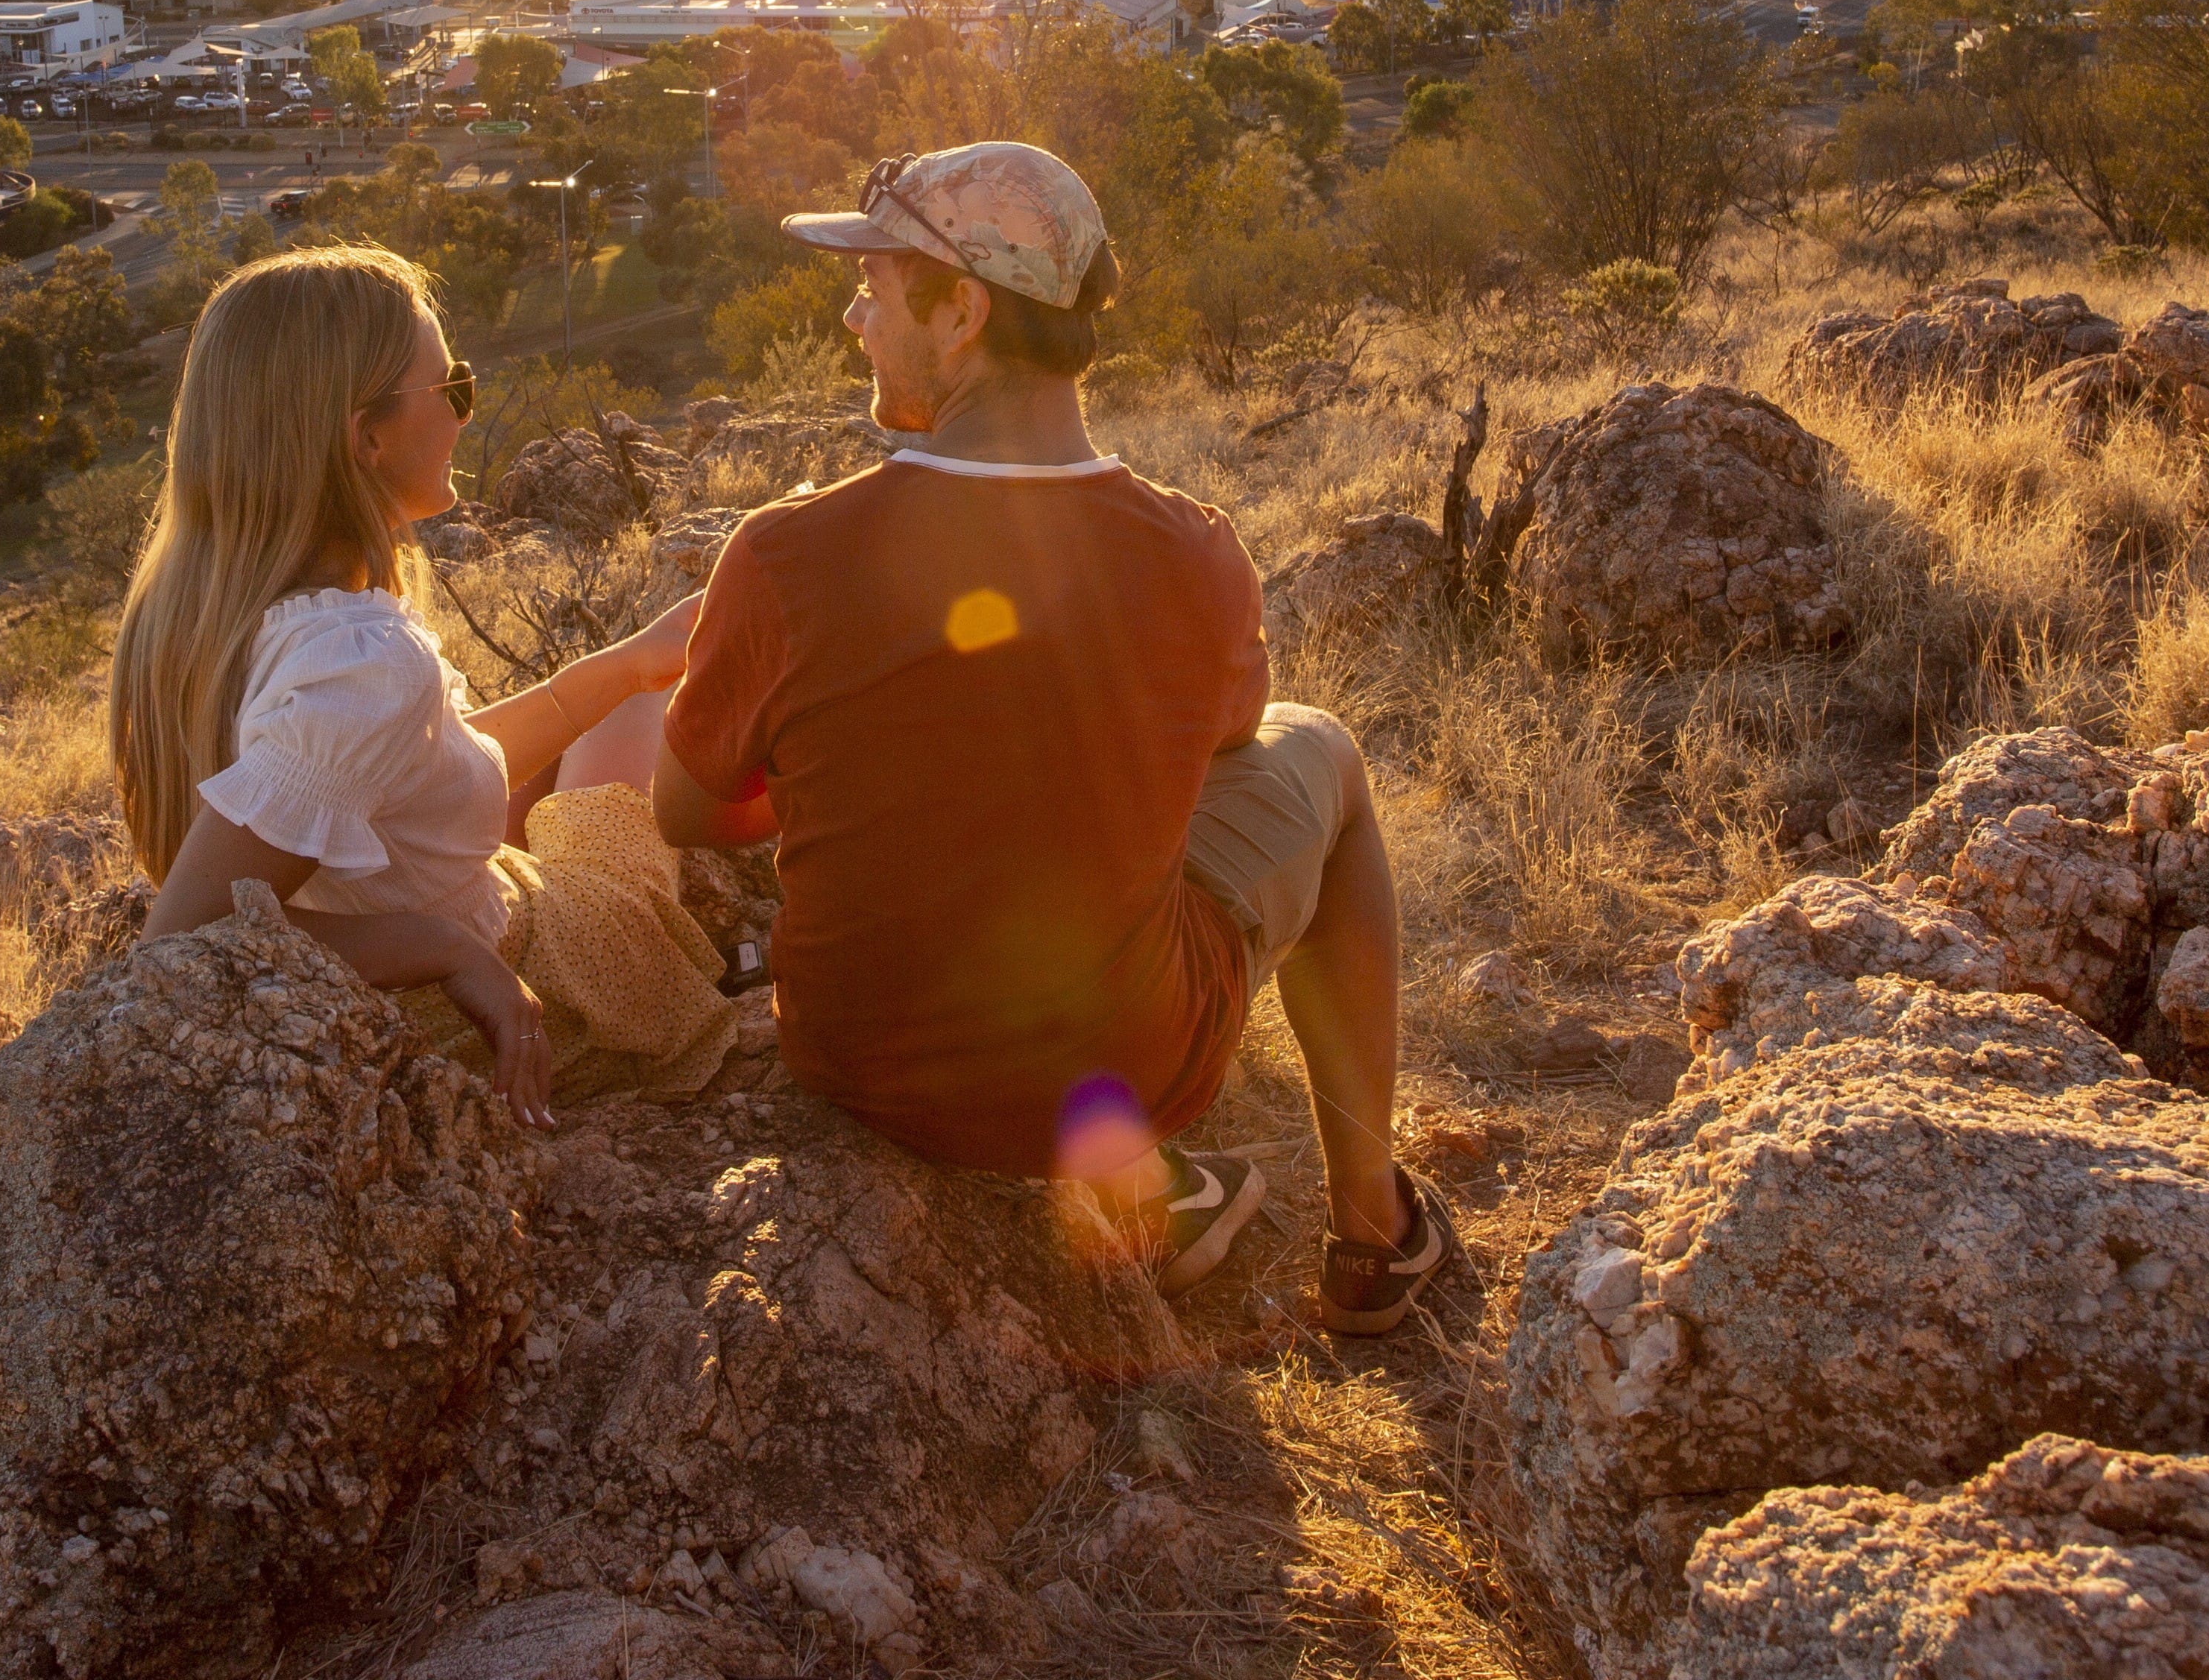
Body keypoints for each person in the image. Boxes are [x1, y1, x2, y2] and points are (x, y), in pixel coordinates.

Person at [655, 142, 1450, 1331]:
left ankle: (1172, 1195)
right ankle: (1373, 1228)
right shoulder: (1195, 555)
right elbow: (1230, 738)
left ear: (963, 309)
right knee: (1320, 748)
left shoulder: (783, 555)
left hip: (855, 1064)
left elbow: (682, 810)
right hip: (1128, 1065)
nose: (853, 314)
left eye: (875, 288)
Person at [115, 241, 696, 1127]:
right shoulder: (360, 664)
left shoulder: (224, 611)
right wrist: (443, 951)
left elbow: (411, 765)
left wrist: (622, 666)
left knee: (630, 708)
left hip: (436, 944)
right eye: (453, 389)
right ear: (367, 437)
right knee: (626, 804)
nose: (468, 414)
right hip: (524, 979)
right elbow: (184, 944)